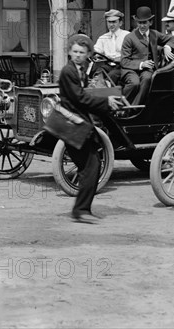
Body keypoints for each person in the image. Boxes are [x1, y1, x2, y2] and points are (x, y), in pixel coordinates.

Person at [59, 34, 122, 224]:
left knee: (91, 165)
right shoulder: (68, 71)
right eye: (75, 52)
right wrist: (105, 101)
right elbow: (80, 98)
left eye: (82, 52)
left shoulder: (80, 70)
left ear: (88, 54)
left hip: (76, 123)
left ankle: (82, 209)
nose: (78, 55)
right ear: (70, 52)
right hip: (71, 124)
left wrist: (106, 96)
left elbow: (85, 95)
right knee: (91, 166)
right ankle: (81, 210)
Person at [120, 6, 174, 105]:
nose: (142, 26)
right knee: (134, 83)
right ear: (136, 22)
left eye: (144, 22)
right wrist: (142, 64)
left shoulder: (154, 34)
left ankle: (134, 108)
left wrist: (167, 47)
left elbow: (173, 39)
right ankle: (120, 106)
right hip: (130, 70)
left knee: (147, 78)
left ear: (150, 22)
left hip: (147, 71)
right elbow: (124, 61)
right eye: (140, 23)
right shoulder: (129, 38)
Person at [93, 9, 130, 84]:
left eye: (114, 22)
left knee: (111, 76)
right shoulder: (103, 38)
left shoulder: (127, 36)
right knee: (98, 73)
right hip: (108, 65)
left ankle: (106, 91)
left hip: (122, 66)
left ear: (120, 23)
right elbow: (96, 51)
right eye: (109, 22)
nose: (111, 25)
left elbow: (133, 53)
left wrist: (120, 58)